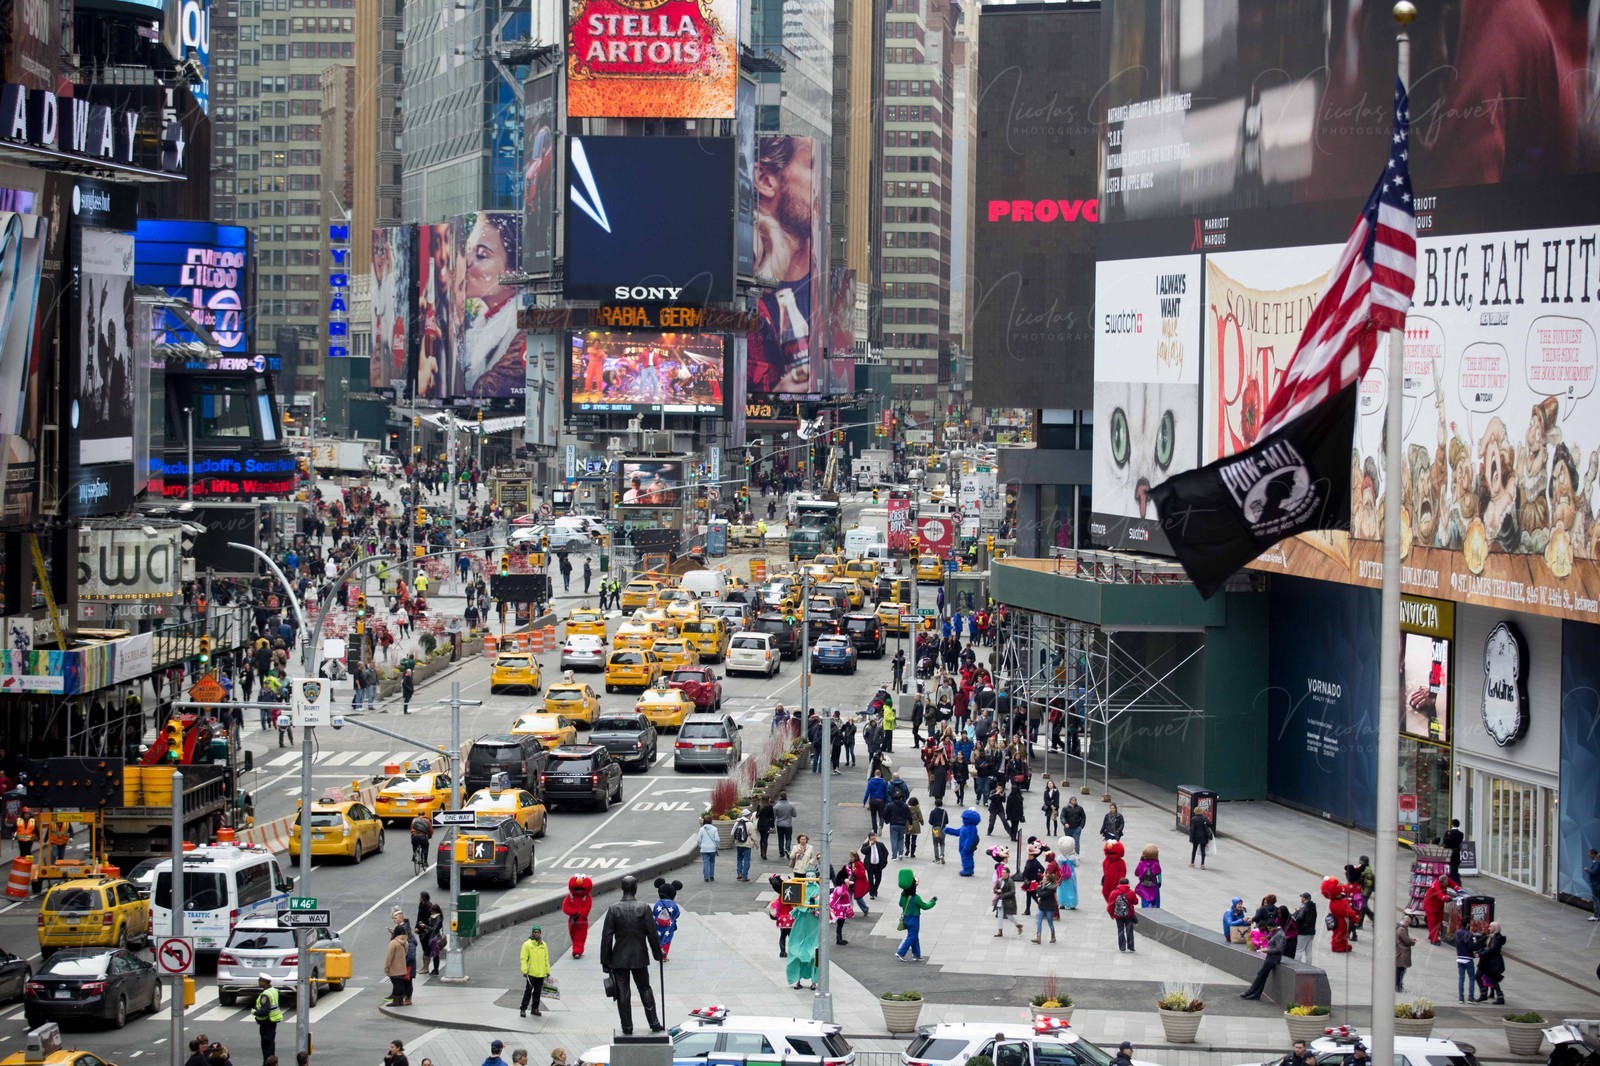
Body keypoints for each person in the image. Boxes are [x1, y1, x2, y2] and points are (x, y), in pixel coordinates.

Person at [599, 875, 666, 1035]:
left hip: (619, 957)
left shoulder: (614, 909)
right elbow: (652, 934)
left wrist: (605, 960)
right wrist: (658, 954)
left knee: (623, 992)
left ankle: (627, 1027)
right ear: (635, 888)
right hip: (639, 956)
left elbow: (606, 937)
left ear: (623, 888)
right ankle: (654, 1022)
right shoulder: (643, 908)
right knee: (645, 988)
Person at [894, 868, 937, 961]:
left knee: (914, 936)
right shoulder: (916, 898)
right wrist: (933, 901)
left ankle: (916, 954)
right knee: (912, 936)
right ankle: (901, 952)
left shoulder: (903, 895)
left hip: (906, 918)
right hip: (914, 919)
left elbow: (900, 904)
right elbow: (925, 906)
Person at [1240, 914, 1287, 999]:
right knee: (1263, 975)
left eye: (1269, 929)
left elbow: (1279, 949)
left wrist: (1267, 950)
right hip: (1271, 957)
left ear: (1274, 927)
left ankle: (1251, 991)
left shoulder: (1280, 935)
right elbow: (1272, 936)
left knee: (1261, 974)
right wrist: (1266, 937)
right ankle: (1257, 994)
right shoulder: (1276, 932)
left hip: (1273, 958)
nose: (1269, 931)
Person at [519, 925, 550, 1017]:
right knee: (528, 990)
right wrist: (524, 970)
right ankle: (523, 1008)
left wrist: (547, 970)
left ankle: (535, 1009)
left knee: (537, 991)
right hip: (531, 972)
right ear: (532, 933)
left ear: (540, 933)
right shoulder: (527, 944)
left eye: (538, 932)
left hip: (541, 973)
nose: (536, 933)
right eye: (535, 932)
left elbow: (546, 959)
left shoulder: (543, 944)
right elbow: (523, 958)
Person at [561, 875, 594, 958]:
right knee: (573, 935)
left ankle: (577, 951)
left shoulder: (587, 897)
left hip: (582, 921)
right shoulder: (570, 896)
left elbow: (587, 908)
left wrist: (579, 914)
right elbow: (565, 906)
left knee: (580, 936)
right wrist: (573, 913)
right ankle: (576, 947)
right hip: (572, 920)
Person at [252, 975, 283, 1063]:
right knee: (271, 1043)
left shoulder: (265, 995)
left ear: (264, 981)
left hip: (266, 1022)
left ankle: (268, 1062)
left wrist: (254, 1012)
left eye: (260, 980)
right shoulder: (273, 990)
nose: (258, 981)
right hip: (273, 1020)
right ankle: (272, 1061)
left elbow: (264, 1011)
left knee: (266, 1044)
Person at [1475, 921, 1506, 1003]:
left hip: (1492, 961)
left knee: (1493, 978)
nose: (1489, 928)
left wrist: (1481, 954)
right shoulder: (1491, 936)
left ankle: (1500, 997)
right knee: (1478, 976)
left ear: (1495, 928)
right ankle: (1484, 993)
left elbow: (1492, 949)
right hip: (1485, 961)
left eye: (1491, 927)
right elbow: (1484, 945)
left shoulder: (1497, 939)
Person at [1107, 876, 1139, 952]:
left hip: (1118, 915)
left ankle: (1122, 947)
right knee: (1129, 930)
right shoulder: (1131, 892)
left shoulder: (1114, 893)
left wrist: (1112, 915)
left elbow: (1110, 906)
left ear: (1119, 884)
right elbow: (1136, 902)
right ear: (1128, 884)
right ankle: (1131, 947)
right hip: (1129, 915)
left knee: (1120, 930)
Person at [384, 924, 410, 1005]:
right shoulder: (405, 942)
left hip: (394, 967)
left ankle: (395, 1001)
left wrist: (386, 967)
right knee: (400, 984)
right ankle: (400, 1000)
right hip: (402, 967)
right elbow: (406, 953)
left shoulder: (393, 943)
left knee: (396, 984)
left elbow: (389, 957)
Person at [1453, 921, 1478, 1002]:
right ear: (1467, 924)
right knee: (1471, 978)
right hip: (1468, 958)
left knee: (1461, 978)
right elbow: (1472, 946)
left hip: (1459, 957)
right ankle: (1470, 997)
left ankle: (1461, 997)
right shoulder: (1470, 934)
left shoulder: (1457, 932)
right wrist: (1475, 941)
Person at [1293, 892, 1319, 963]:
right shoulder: (1313, 906)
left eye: (1302, 897)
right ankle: (1308, 965)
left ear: (1305, 898)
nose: (1301, 898)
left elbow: (1300, 918)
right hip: (1311, 931)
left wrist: (1297, 912)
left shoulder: (1303, 906)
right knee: (1309, 951)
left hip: (1303, 931)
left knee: (1299, 950)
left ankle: (1297, 965)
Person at [862, 832, 888, 898]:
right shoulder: (866, 845)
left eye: (874, 838)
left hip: (878, 865)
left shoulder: (880, 845)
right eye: (872, 838)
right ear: (869, 839)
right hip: (870, 866)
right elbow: (863, 851)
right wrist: (869, 846)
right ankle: (871, 893)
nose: (874, 840)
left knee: (878, 879)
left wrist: (884, 861)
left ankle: (875, 889)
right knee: (870, 880)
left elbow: (886, 852)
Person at [732, 810, 754, 881]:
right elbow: (754, 835)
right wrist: (756, 844)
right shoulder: (749, 824)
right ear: (748, 815)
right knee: (747, 860)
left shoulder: (737, 822)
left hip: (739, 844)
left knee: (739, 858)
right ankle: (745, 876)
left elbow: (732, 833)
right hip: (747, 844)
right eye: (750, 815)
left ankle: (739, 874)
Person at [1395, 917, 1416, 992]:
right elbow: (1407, 941)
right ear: (1406, 922)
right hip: (1402, 953)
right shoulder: (1402, 930)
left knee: (1399, 970)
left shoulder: (1397, 928)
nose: (1409, 925)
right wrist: (1413, 941)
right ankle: (1398, 986)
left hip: (1398, 951)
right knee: (1401, 971)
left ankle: (1398, 985)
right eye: (1409, 923)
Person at [696, 815, 720, 881]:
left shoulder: (701, 829)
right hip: (712, 848)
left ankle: (706, 877)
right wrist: (717, 846)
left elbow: (698, 839)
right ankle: (711, 876)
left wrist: (701, 846)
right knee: (712, 862)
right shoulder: (714, 829)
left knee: (705, 862)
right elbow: (717, 839)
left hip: (704, 848)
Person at [773, 792, 796, 858]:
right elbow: (794, 815)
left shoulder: (776, 806)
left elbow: (774, 816)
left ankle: (781, 852)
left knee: (780, 839)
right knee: (788, 838)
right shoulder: (791, 805)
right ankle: (787, 849)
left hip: (779, 824)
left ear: (780, 797)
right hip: (788, 824)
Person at [1444, 818, 1465, 883]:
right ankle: (1456, 880)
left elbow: (1445, 841)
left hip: (1448, 852)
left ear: (1452, 824)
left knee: (1448, 865)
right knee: (1455, 866)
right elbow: (1460, 841)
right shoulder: (1461, 834)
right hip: (1457, 851)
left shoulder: (1448, 833)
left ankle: (1449, 879)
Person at [1587, 849, 1600, 920]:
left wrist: (1587, 870)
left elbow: (1594, 872)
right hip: (1596, 883)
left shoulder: (1597, 863)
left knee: (1596, 899)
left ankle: (1596, 915)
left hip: (1596, 883)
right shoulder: (1596, 862)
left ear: (1594, 854)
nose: (1589, 856)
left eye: (1590, 854)